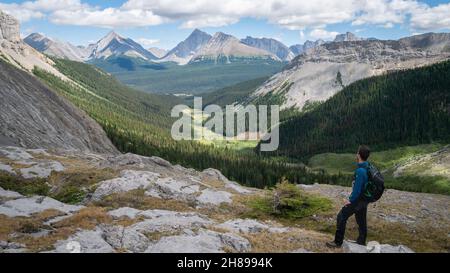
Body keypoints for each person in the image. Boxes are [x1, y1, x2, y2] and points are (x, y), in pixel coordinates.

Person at [326, 145, 371, 248]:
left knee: (341, 216)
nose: (356, 154)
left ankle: (337, 242)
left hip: (358, 200)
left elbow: (357, 189)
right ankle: (361, 241)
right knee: (361, 220)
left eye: (357, 152)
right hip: (364, 200)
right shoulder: (367, 167)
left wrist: (350, 201)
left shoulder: (360, 171)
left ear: (358, 155)